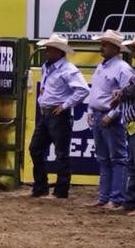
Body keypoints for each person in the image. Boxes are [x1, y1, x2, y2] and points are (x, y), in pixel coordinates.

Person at [27, 34, 90, 199]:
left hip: (57, 114)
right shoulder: (47, 67)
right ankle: (41, 186)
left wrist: (65, 105)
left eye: (50, 49)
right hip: (48, 113)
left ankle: (60, 190)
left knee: (60, 152)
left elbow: (83, 90)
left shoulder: (68, 69)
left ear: (59, 51)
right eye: (48, 48)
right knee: (36, 149)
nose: (47, 51)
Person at [83, 30, 134, 210]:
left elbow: (127, 96)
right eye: (102, 43)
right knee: (104, 159)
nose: (101, 47)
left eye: (105, 44)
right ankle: (105, 197)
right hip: (99, 115)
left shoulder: (122, 68)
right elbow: (96, 92)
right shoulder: (103, 66)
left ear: (115, 47)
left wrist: (112, 115)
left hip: (110, 118)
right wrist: (91, 109)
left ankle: (116, 198)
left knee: (117, 158)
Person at [111, 31, 135, 217]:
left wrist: (119, 93)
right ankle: (132, 201)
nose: (132, 50)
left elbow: (134, 90)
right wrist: (122, 92)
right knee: (134, 163)